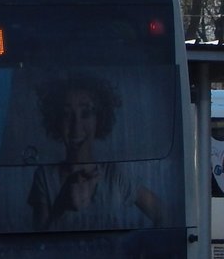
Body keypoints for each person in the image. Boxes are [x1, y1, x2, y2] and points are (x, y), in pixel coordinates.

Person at [28, 74, 162, 231]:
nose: (76, 127)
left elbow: (163, 215)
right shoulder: (44, 177)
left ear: (99, 119)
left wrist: (142, 248)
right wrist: (61, 205)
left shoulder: (116, 175)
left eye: (86, 114)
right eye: (66, 115)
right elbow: (37, 242)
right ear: (56, 120)